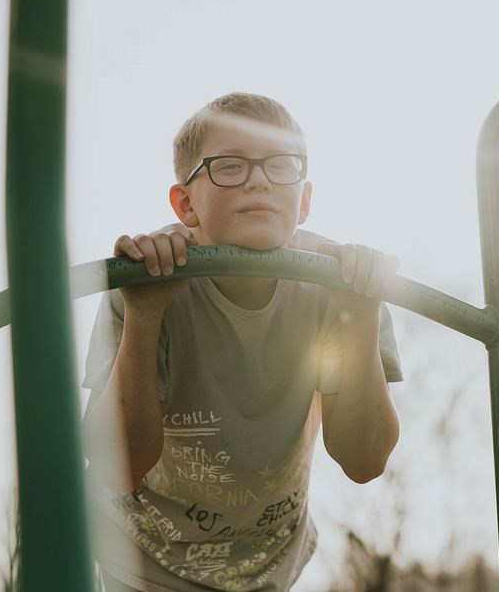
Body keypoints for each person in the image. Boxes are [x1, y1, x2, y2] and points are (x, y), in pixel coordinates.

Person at [81, 92, 403, 592]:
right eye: (230, 166)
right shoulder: (147, 278)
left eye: (281, 165)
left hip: (267, 563)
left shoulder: (339, 285)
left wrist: (359, 315)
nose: (259, 179)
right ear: (185, 203)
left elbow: (364, 461)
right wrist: (146, 315)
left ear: (306, 198)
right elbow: (117, 467)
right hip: (141, 563)